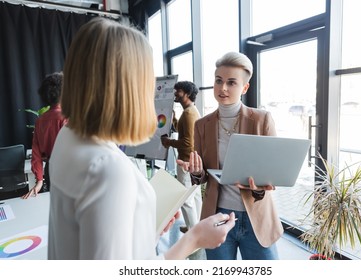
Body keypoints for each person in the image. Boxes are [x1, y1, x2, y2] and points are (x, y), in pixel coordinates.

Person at [47, 17, 235, 260]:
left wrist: (145, 229)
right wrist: (193, 239)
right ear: (130, 88)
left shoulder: (69, 137)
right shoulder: (108, 171)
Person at [177, 52, 283, 260]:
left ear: (245, 88)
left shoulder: (262, 120)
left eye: (231, 82)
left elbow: (272, 173)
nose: (223, 88)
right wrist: (197, 172)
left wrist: (261, 187)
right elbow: (203, 177)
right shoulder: (202, 125)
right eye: (219, 81)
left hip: (256, 217)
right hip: (217, 217)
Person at [161, 81, 202, 233]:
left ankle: (194, 232)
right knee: (195, 195)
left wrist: (168, 142)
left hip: (186, 161)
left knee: (185, 198)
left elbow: (187, 143)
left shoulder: (189, 114)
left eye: (178, 90)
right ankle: (196, 226)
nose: (175, 93)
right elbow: (184, 132)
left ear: (187, 93)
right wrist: (174, 119)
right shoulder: (190, 111)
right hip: (192, 160)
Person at [22, 72, 67, 199]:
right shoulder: (67, 119)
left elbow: (35, 153)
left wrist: (39, 180)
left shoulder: (40, 121)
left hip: (50, 171)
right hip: (68, 172)